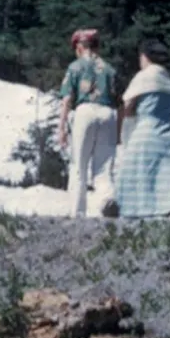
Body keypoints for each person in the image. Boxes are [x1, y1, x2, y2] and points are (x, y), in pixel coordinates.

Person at [114, 39, 170, 219]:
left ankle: (134, 210)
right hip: (167, 132)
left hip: (146, 129)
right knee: (163, 173)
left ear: (144, 57)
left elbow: (128, 104)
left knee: (137, 171)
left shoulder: (144, 77)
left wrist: (126, 125)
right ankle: (163, 208)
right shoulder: (169, 80)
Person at [57, 27, 118, 218]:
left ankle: (78, 211)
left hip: (84, 112)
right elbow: (121, 101)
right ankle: (107, 199)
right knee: (103, 165)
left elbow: (67, 99)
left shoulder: (75, 67)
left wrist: (62, 127)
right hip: (108, 113)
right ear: (96, 46)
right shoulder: (109, 69)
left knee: (79, 164)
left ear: (78, 47)